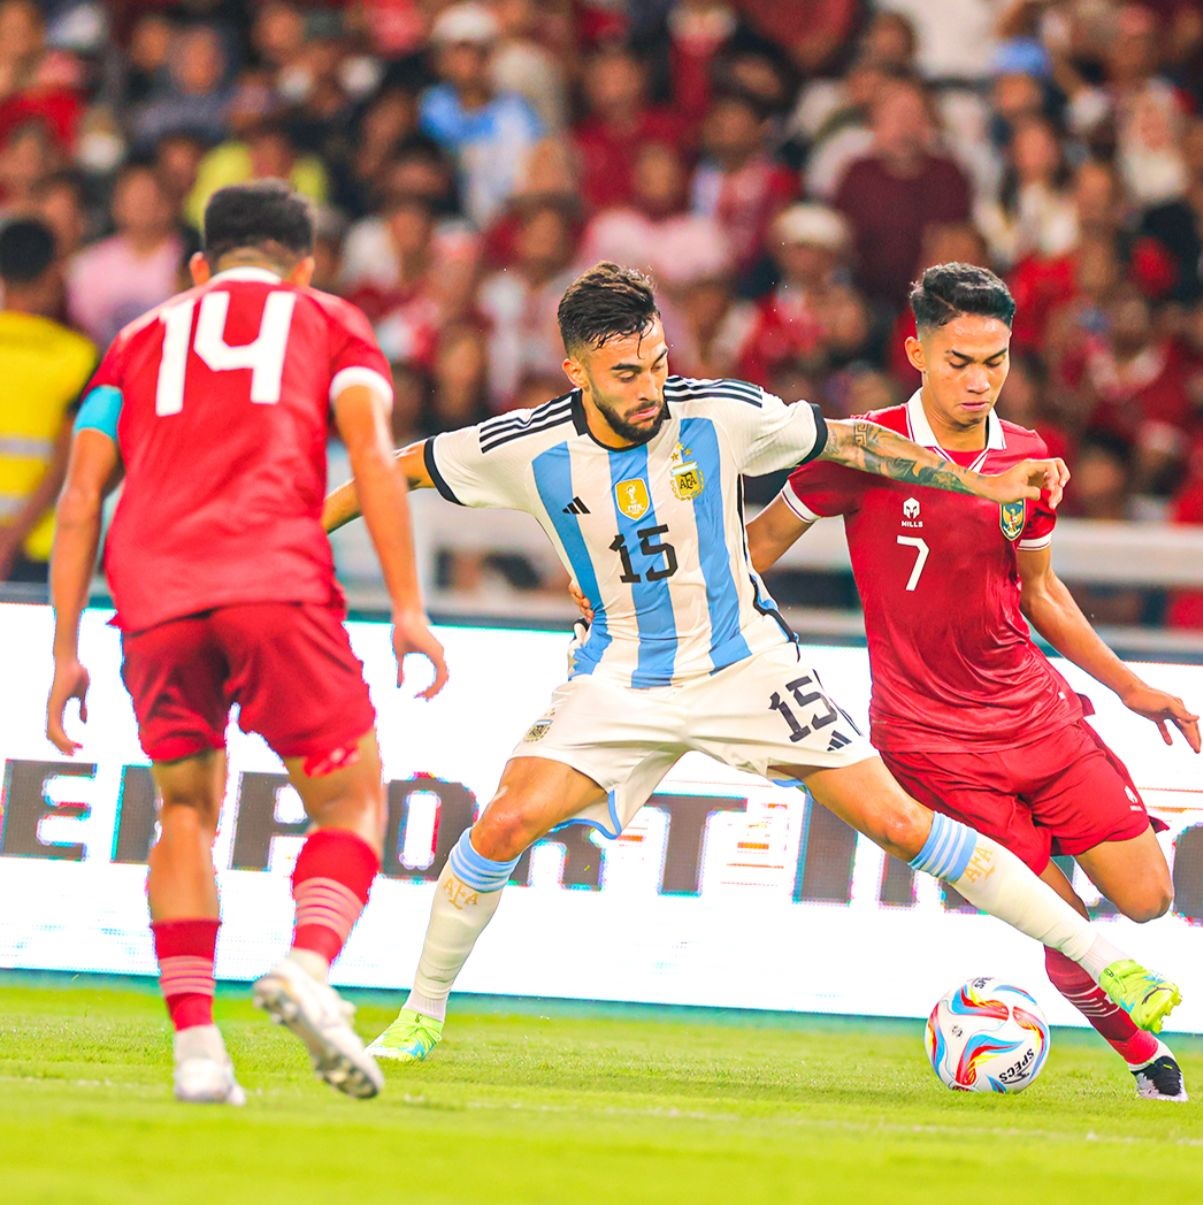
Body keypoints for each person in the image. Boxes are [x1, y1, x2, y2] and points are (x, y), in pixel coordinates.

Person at [323, 261, 1179, 1064]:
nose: (650, 387)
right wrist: (297, 533)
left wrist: (973, 482)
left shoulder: (720, 411)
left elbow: (850, 442)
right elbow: (392, 469)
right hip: (618, 675)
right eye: (625, 372)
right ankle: (421, 1012)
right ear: (576, 370)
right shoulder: (523, 446)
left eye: (657, 362)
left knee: (899, 824)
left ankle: (1105, 960)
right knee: (503, 825)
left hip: (749, 669)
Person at [748, 262, 1197, 1101]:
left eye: (993, 360)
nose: (978, 379)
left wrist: (1130, 685)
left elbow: (1040, 591)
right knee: (1066, 924)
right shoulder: (861, 448)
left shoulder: (1027, 458)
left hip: (1037, 716)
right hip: (932, 745)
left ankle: (1095, 959)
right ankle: (1147, 1060)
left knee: (1145, 897)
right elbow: (756, 548)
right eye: (959, 359)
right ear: (915, 350)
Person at [45, 180, 448, 1105]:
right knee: (350, 800)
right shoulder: (330, 320)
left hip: (150, 591)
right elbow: (374, 459)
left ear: (199, 266)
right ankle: (308, 966)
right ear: (303, 264)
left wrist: (64, 647)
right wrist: (408, 606)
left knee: (182, 809)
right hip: (271, 578)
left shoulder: (135, 341)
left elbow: (79, 497)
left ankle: (196, 1051)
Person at [0, 218, 96, 584]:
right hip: (42, 548)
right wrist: (11, 537)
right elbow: (69, 455)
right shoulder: (79, 357)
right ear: (53, 272)